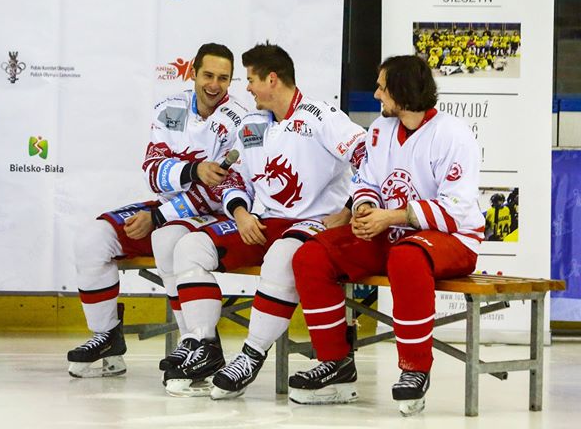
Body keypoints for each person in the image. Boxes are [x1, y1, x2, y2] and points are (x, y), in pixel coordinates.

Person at [159, 43, 366, 398]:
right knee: (189, 247)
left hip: (311, 224)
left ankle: (251, 354)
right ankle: (204, 345)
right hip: (263, 221)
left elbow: (368, 156)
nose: (248, 88)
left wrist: (348, 209)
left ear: (272, 79)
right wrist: (241, 213)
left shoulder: (322, 116)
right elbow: (232, 179)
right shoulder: (252, 124)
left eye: (251, 80)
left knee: (281, 258)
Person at [288, 55, 483, 416]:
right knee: (312, 256)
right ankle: (335, 363)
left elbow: (456, 208)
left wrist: (391, 216)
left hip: (454, 239)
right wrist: (364, 209)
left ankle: (414, 368)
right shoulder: (380, 129)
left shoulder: (453, 135)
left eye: (382, 87)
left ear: (402, 91)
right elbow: (367, 180)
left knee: (406, 258)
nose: (376, 94)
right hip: (392, 233)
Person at [66, 43, 250, 378]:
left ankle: (197, 343)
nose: (214, 85)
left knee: (167, 239)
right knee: (93, 239)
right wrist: (193, 171)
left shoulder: (240, 120)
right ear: (193, 73)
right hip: (168, 208)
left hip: (214, 216)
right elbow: (153, 171)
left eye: (223, 78)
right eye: (208, 75)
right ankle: (107, 336)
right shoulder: (170, 108)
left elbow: (220, 191)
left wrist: (160, 214)